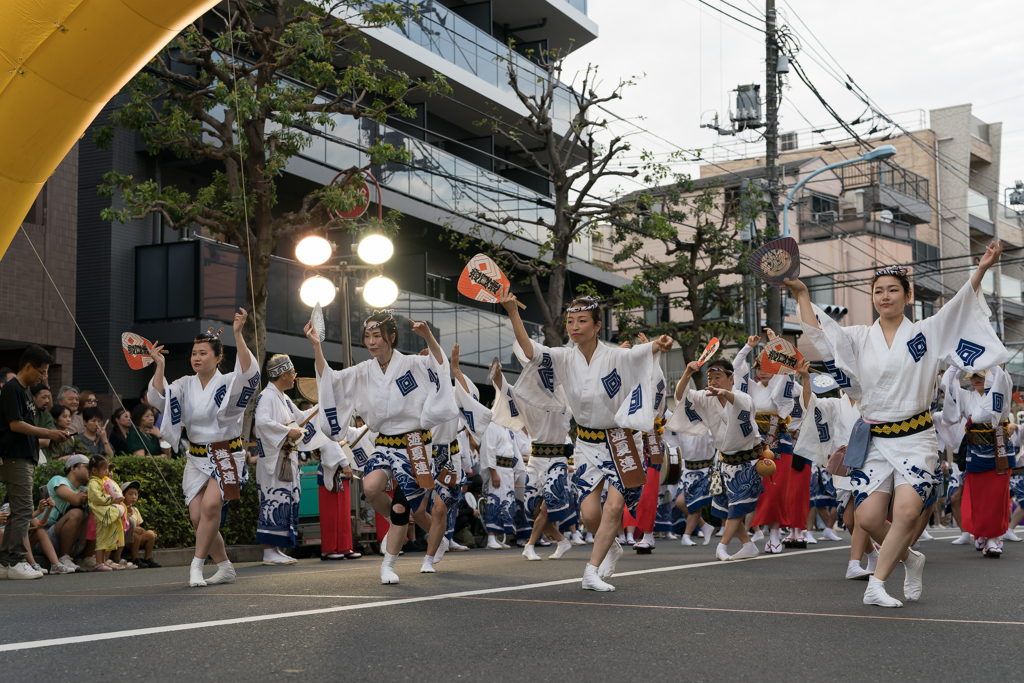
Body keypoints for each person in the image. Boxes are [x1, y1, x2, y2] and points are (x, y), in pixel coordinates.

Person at [785, 241, 1009, 608]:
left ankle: (877, 583)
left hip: (916, 437)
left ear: (907, 295)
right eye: (878, 291)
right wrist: (804, 295)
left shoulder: (927, 332)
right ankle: (911, 558)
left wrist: (981, 269)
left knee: (906, 511)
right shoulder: (858, 337)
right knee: (869, 518)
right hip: (873, 437)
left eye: (892, 290)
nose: (884, 296)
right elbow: (820, 335)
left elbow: (959, 307)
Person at [499, 292, 671, 592]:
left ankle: (590, 571)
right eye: (570, 321)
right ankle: (612, 547)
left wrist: (657, 344)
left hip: (620, 442)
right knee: (589, 514)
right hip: (586, 444)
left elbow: (640, 355)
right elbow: (530, 350)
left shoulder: (616, 355)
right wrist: (513, 311)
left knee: (614, 509)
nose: (574, 326)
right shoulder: (564, 357)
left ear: (597, 325)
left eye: (582, 320)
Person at [307, 309, 459, 585]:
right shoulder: (364, 370)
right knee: (371, 488)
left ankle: (388, 564)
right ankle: (431, 535)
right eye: (367, 336)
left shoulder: (414, 363)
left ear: (391, 336)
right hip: (385, 442)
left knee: (403, 508)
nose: (372, 341)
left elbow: (439, 367)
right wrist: (317, 346)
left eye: (377, 336)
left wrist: (429, 338)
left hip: (415, 444)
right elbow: (331, 379)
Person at [147, 309, 258, 587]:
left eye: (203, 353)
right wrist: (159, 366)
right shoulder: (184, 384)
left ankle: (196, 566)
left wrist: (237, 335)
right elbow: (159, 398)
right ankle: (224, 566)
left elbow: (249, 373)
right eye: (194, 353)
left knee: (210, 507)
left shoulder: (229, 381)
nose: (197, 358)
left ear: (219, 358)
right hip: (196, 457)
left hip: (225, 452)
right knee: (198, 518)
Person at [670, 357, 763, 562]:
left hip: (747, 461)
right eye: (710, 377)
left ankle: (722, 547)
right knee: (722, 508)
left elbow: (744, 405)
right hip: (723, 462)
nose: (713, 381)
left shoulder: (741, 397)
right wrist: (687, 372)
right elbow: (681, 396)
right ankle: (748, 545)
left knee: (737, 506)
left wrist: (726, 394)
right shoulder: (706, 397)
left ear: (731, 378)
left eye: (718, 377)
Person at [795, 366, 878, 580]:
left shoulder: (870, 402)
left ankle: (853, 564)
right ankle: (874, 555)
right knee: (849, 519)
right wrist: (805, 378)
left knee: (861, 517)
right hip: (843, 464)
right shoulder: (834, 403)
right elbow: (809, 404)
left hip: (869, 462)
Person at [491, 359, 574, 561]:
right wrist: (497, 374)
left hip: (556, 459)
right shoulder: (527, 400)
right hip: (536, 459)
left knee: (546, 505)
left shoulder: (562, 398)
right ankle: (562, 541)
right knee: (533, 507)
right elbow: (506, 391)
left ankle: (529, 545)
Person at [0, 345, 69, 579]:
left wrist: (52, 434)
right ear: (27, 366)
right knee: (23, 510)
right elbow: (15, 424)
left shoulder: (26, 391)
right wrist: (49, 433)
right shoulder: (12, 389)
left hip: (24, 456)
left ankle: (8, 563)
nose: (43, 377)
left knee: (21, 509)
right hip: (14, 456)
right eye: (41, 371)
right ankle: (14, 562)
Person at [420, 344, 483, 573]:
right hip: (421, 452)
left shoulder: (450, 386)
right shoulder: (417, 386)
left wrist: (455, 368)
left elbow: (471, 399)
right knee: (416, 510)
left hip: (447, 452)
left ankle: (429, 557)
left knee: (439, 508)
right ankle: (442, 541)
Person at [939, 365, 1015, 556]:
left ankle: (993, 538)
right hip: (975, 451)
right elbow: (949, 390)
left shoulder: (999, 388)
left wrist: (993, 361)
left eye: (981, 375)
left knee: (997, 497)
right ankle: (981, 533)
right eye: (972, 376)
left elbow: (1003, 379)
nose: (976, 379)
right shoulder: (966, 396)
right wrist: (956, 366)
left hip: (999, 448)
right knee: (978, 497)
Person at [254, 353, 319, 565]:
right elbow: (262, 423)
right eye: (293, 373)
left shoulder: (283, 396)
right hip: (274, 460)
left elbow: (302, 419)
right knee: (274, 500)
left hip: (286, 458)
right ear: (283, 375)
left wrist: (322, 406)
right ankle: (268, 551)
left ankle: (276, 548)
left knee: (287, 500)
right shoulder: (267, 396)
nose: (295, 377)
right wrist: (286, 431)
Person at [734, 334, 797, 553]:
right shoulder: (751, 387)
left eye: (765, 367)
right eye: (758, 368)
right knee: (757, 489)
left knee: (776, 490)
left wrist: (775, 346)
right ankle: (759, 530)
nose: (759, 372)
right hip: (756, 444)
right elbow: (736, 368)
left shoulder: (779, 388)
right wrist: (748, 346)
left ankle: (775, 534)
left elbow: (786, 371)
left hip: (779, 442)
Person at [44, 454, 90, 571]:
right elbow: (75, 499)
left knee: (97, 515)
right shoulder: (58, 480)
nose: (91, 471)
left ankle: (88, 558)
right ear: (73, 468)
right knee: (76, 513)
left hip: (76, 542)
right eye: (87, 467)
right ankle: (63, 558)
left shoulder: (84, 490)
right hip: (47, 540)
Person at [317, 438, 359, 561]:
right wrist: (344, 463)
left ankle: (344, 546)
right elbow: (328, 441)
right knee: (329, 512)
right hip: (329, 468)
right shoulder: (324, 420)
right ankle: (328, 548)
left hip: (342, 468)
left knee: (344, 512)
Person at [86, 455, 126, 572]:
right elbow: (97, 497)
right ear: (94, 470)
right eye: (105, 469)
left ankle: (103, 561)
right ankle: (99, 563)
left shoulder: (102, 480)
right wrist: (111, 500)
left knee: (107, 537)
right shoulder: (93, 483)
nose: (107, 471)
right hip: (100, 513)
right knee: (102, 538)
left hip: (105, 512)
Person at [119, 481, 160, 568]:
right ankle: (135, 559)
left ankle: (147, 558)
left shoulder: (136, 510)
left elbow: (139, 527)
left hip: (136, 540)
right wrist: (134, 530)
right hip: (125, 540)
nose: (134, 497)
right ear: (123, 496)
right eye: (130, 494)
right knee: (136, 535)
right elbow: (120, 526)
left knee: (150, 534)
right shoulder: (121, 508)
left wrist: (143, 532)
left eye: (135, 494)